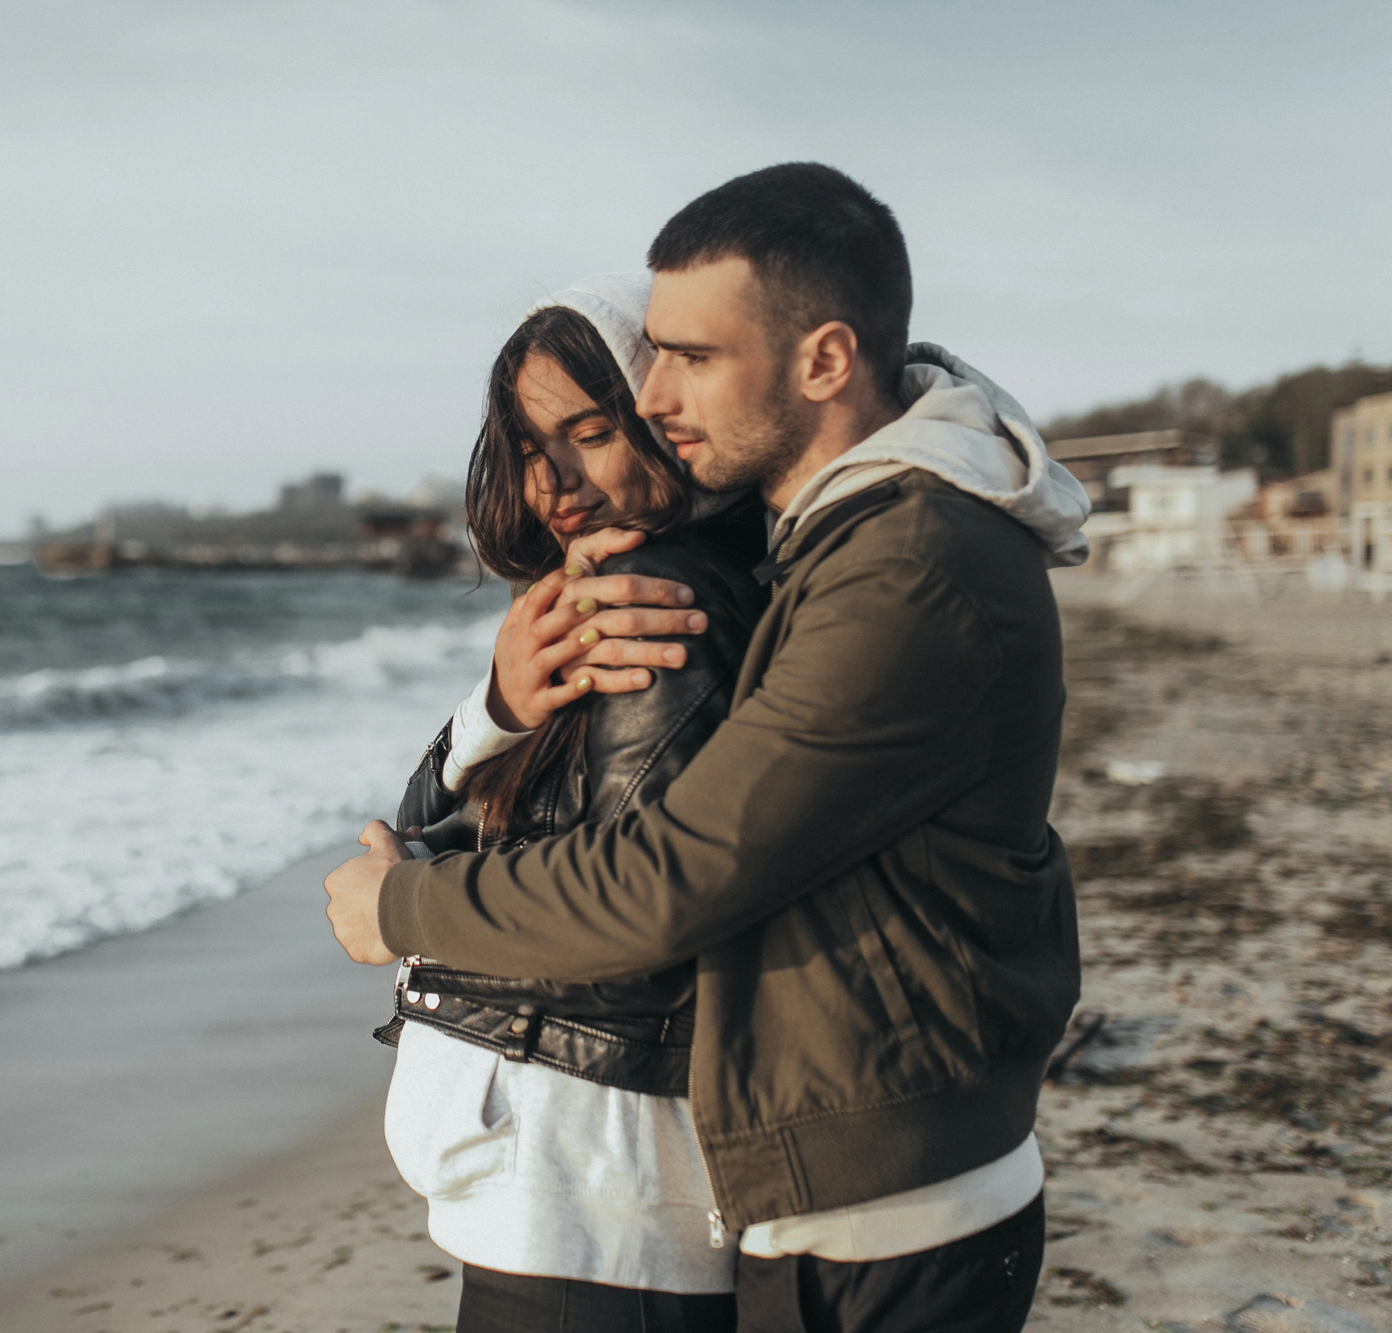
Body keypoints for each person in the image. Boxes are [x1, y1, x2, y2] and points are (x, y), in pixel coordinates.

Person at [327, 162, 1090, 1333]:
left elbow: (653, 894)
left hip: (787, 1194)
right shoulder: (817, 544)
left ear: (823, 359)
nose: (660, 394)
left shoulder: (879, 567)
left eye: (681, 363)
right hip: (816, 1184)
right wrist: (497, 711)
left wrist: (403, 910)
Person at [378, 273, 768, 1328]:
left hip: (593, 1196)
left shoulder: (653, 612)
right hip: (567, 1189)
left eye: (589, 432)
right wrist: (499, 702)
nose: (549, 478)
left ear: (667, 419)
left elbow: (632, 924)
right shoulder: (590, 601)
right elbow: (430, 815)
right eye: (523, 445)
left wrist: (400, 909)